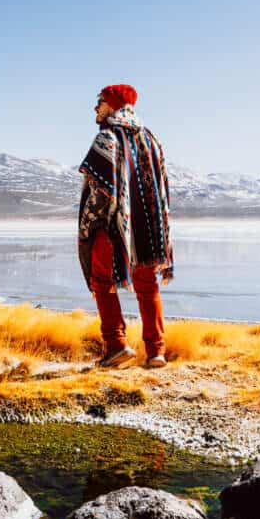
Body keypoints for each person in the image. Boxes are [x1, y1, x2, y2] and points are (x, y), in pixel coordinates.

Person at [78, 84, 174, 369]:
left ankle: (116, 345)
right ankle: (156, 350)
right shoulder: (151, 140)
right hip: (147, 229)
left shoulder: (106, 138)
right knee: (147, 284)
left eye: (100, 102)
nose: (96, 108)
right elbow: (163, 186)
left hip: (114, 228)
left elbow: (100, 190)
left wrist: (88, 227)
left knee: (102, 280)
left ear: (113, 105)